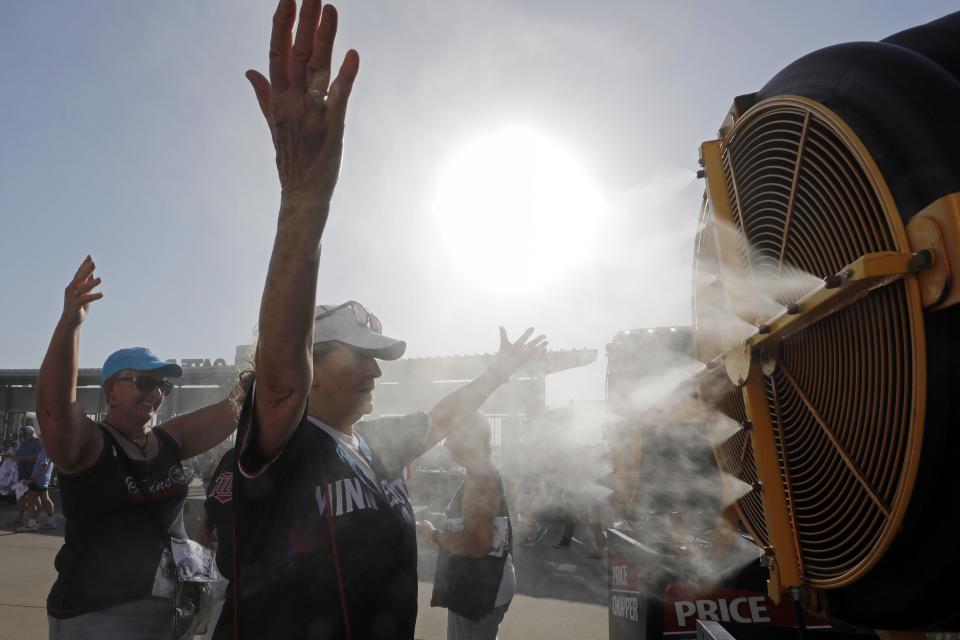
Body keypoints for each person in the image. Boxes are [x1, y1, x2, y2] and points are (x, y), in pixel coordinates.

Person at [417, 413, 516, 640]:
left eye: (450, 436)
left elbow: (476, 544)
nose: (446, 443)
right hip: (482, 583)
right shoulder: (480, 472)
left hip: (479, 588)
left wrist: (432, 534)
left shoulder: (481, 477)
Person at [17, 443, 58, 532]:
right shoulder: (51, 450)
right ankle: (51, 521)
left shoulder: (45, 450)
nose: (40, 439)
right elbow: (53, 466)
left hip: (38, 480)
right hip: (44, 480)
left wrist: (32, 479)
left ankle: (33, 524)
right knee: (46, 499)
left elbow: (43, 465)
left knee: (30, 500)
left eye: (41, 437)